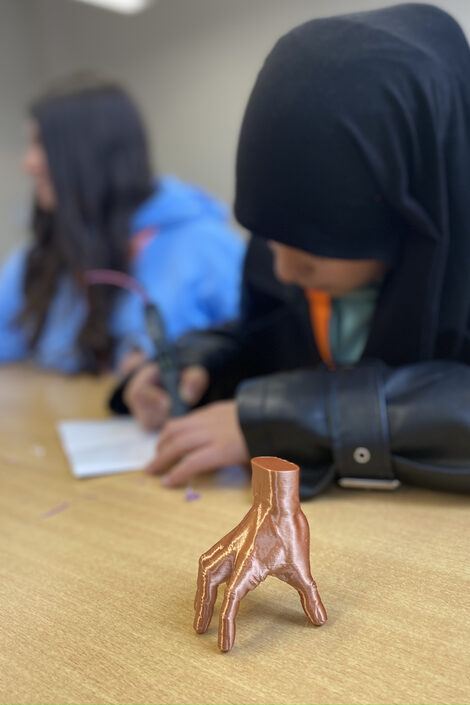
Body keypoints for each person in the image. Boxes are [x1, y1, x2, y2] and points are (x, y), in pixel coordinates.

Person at [110, 4, 470, 497]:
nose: (283, 270)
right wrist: (197, 364)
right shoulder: (284, 254)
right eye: (271, 240)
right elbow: (268, 340)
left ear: (408, 213)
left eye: (309, 254)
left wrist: (276, 418)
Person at [0, 74, 245, 374]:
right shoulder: (39, 258)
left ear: (91, 152)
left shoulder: (205, 247)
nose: (29, 162)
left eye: (41, 144)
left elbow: (262, 353)